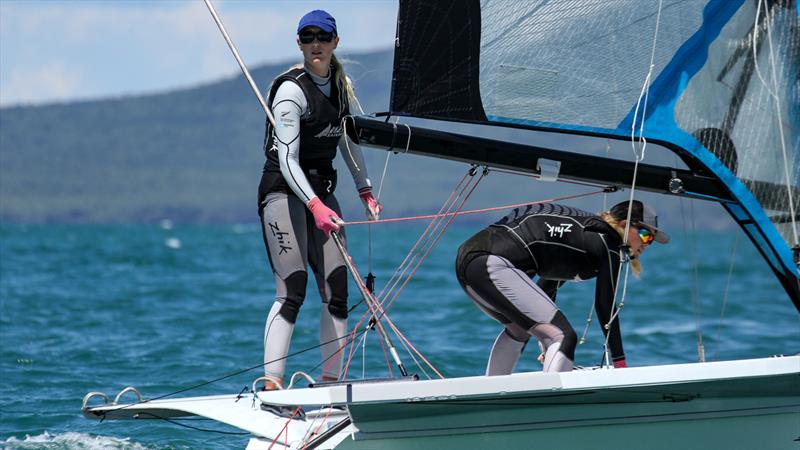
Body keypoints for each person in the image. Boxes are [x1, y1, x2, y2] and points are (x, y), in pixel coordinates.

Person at [258, 10, 382, 390]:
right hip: (284, 191)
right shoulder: (291, 91)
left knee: (337, 289)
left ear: (335, 42)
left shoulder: (341, 87)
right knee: (293, 289)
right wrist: (314, 205)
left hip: (323, 192)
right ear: (299, 42)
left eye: (323, 37)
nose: (316, 44)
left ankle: (330, 385)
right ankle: (273, 384)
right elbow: (286, 159)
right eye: (307, 37)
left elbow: (347, 141)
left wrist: (365, 190)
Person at [455, 200, 668, 374]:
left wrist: (545, 341)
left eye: (651, 240)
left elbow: (546, 289)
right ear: (623, 225)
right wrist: (620, 364)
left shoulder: (584, 237)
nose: (646, 244)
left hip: (471, 262)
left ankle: (493, 395)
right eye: (645, 234)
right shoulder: (608, 243)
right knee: (563, 335)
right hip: (490, 261)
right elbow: (606, 307)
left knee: (520, 329)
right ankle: (549, 405)